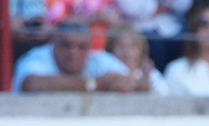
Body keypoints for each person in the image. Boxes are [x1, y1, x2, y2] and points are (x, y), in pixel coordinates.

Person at [14, 18, 142, 91]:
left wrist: (129, 83)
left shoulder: (98, 59)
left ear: (90, 47)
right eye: (66, 45)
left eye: (81, 47)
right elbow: (31, 84)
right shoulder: (36, 57)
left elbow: (139, 82)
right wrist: (94, 84)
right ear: (54, 43)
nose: (73, 52)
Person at [107, 23, 168, 92]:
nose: (127, 51)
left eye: (133, 46)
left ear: (142, 49)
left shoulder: (153, 75)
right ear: (111, 48)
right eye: (120, 46)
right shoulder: (106, 74)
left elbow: (165, 95)